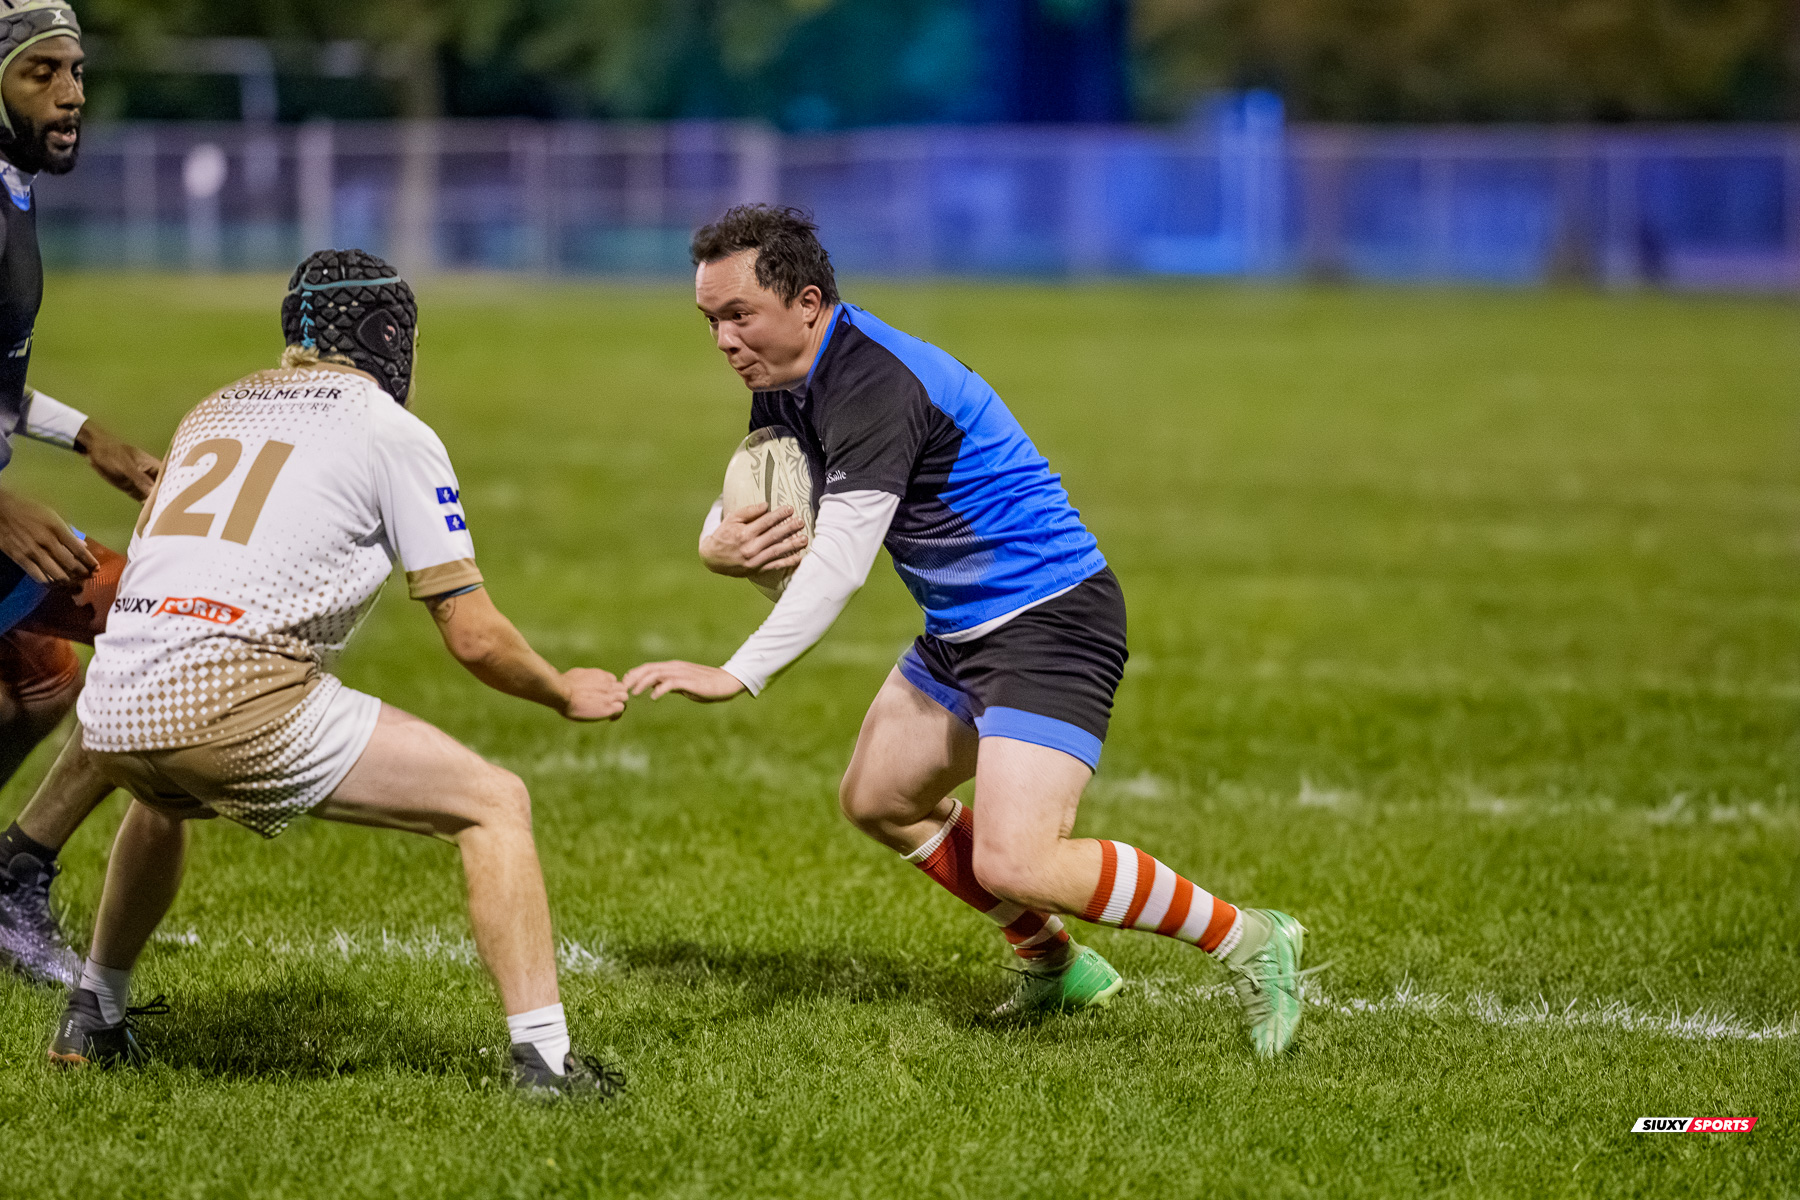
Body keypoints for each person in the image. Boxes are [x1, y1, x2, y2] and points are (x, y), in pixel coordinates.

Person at [625, 205, 1312, 1056]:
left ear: (807, 302)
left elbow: (838, 561)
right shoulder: (785, 379)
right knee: (878, 798)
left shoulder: (875, 382)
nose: (725, 340)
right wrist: (713, 545)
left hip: (1051, 621)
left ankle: (1251, 939)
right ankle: (1054, 961)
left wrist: (739, 671)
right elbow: (757, 498)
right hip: (964, 628)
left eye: (739, 316)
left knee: (1018, 862)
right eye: (711, 321)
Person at [48, 249, 628, 1099]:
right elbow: (472, 635)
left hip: (113, 710)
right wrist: (562, 687)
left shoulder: (213, 407)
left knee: (160, 795)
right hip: (232, 701)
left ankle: (93, 1012)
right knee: (494, 804)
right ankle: (543, 1063)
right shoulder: (387, 428)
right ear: (392, 338)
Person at [0, 0, 164, 987]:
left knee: (44, 681)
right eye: (41, 74)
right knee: (147, 608)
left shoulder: (12, 184)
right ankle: (16, 878)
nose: (71, 96)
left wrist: (88, 435)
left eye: (77, 72)